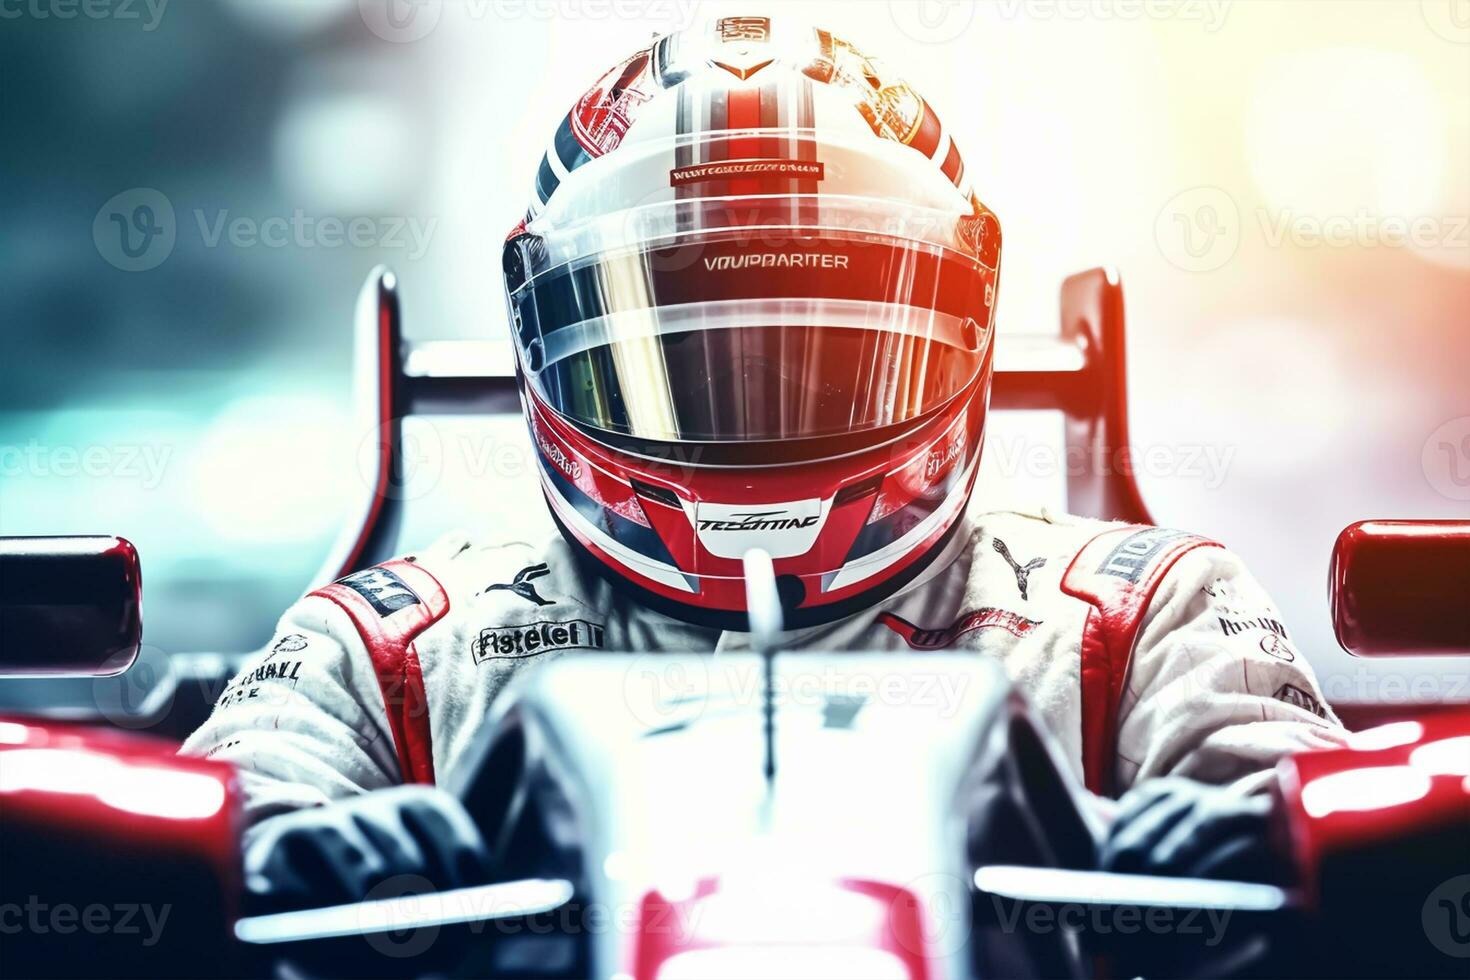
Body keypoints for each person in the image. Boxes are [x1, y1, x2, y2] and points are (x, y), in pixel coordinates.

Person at [183, 17, 1344, 910]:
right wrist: (282, 850)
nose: (756, 399)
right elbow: (206, 823)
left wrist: (1264, 840)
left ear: (974, 312)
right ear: (538, 333)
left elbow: (1325, 831)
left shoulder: (1138, 611)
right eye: (687, 350)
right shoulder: (392, 641)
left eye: (823, 355)